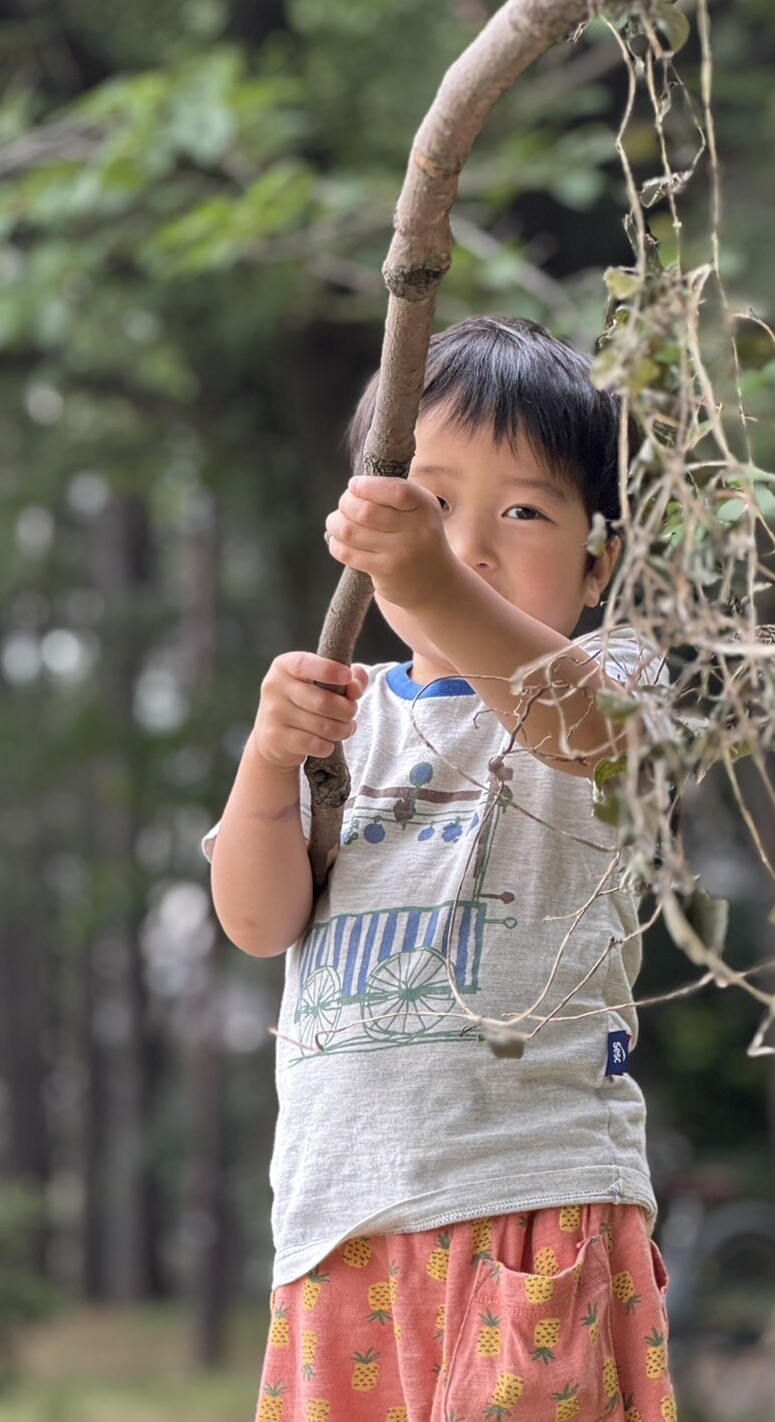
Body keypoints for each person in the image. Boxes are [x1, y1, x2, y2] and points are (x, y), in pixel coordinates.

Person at [202, 315, 678, 1422]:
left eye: (523, 510)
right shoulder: (345, 721)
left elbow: (583, 730)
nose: (470, 544)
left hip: (533, 1201)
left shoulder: (609, 679)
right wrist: (270, 759)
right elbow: (260, 919)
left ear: (599, 560)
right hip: (338, 1225)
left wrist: (421, 581)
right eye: (433, 503)